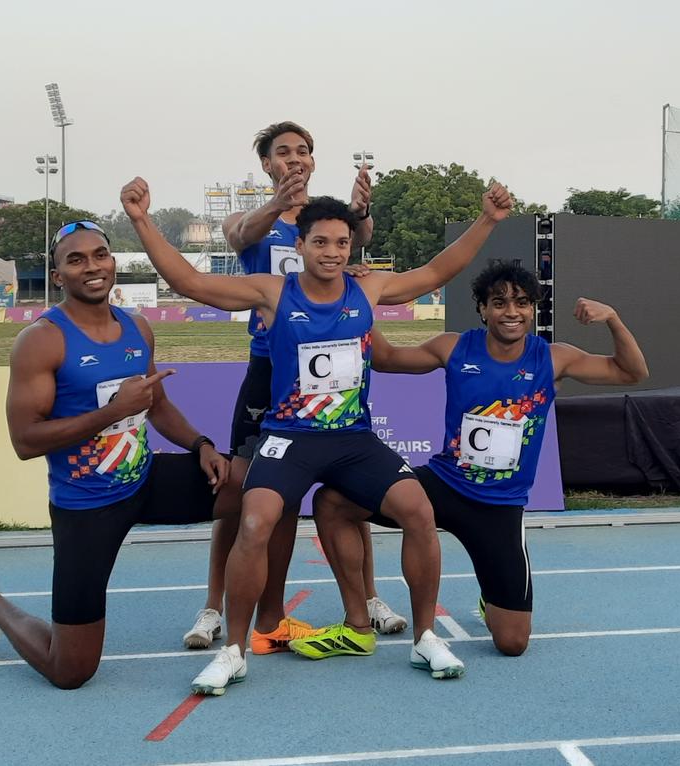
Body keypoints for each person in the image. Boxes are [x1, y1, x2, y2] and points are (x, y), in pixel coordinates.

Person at [121, 176, 515, 694]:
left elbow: (437, 271)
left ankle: (425, 638)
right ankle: (235, 650)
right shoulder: (272, 292)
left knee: (419, 511)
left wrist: (486, 219)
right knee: (256, 521)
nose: (332, 252)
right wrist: (142, 221)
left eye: (342, 243)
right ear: (300, 245)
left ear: (352, 246)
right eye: (321, 242)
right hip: (288, 438)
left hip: (352, 440)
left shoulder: (368, 287)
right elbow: (193, 283)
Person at [305, 261, 648, 661]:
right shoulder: (454, 347)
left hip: (499, 509)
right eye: (499, 302)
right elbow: (386, 358)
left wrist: (613, 319)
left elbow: (632, 373)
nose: (511, 312)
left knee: (512, 643)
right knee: (332, 501)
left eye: (522, 303)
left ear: (533, 309)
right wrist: (357, 298)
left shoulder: (554, 358)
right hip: (442, 486)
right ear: (483, 309)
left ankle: (493, 598)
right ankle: (358, 622)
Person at [0, 220, 232, 690]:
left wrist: (201, 445)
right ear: (58, 275)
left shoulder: (136, 327)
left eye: (100, 255)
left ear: (113, 263)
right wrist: (111, 413)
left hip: (144, 480)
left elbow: (158, 406)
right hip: (86, 505)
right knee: (70, 671)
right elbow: (25, 440)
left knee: (257, 488)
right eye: (76, 259)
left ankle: (258, 627)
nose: (93, 266)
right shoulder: (42, 340)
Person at [181, 120, 407, 654]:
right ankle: (214, 606)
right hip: (270, 369)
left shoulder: (320, 221)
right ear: (266, 163)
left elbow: (360, 240)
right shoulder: (254, 221)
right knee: (240, 493)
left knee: (354, 484)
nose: (295, 158)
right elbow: (238, 238)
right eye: (283, 152)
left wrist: (362, 210)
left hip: (331, 366)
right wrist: (275, 203)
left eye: (303, 151)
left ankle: (370, 599)